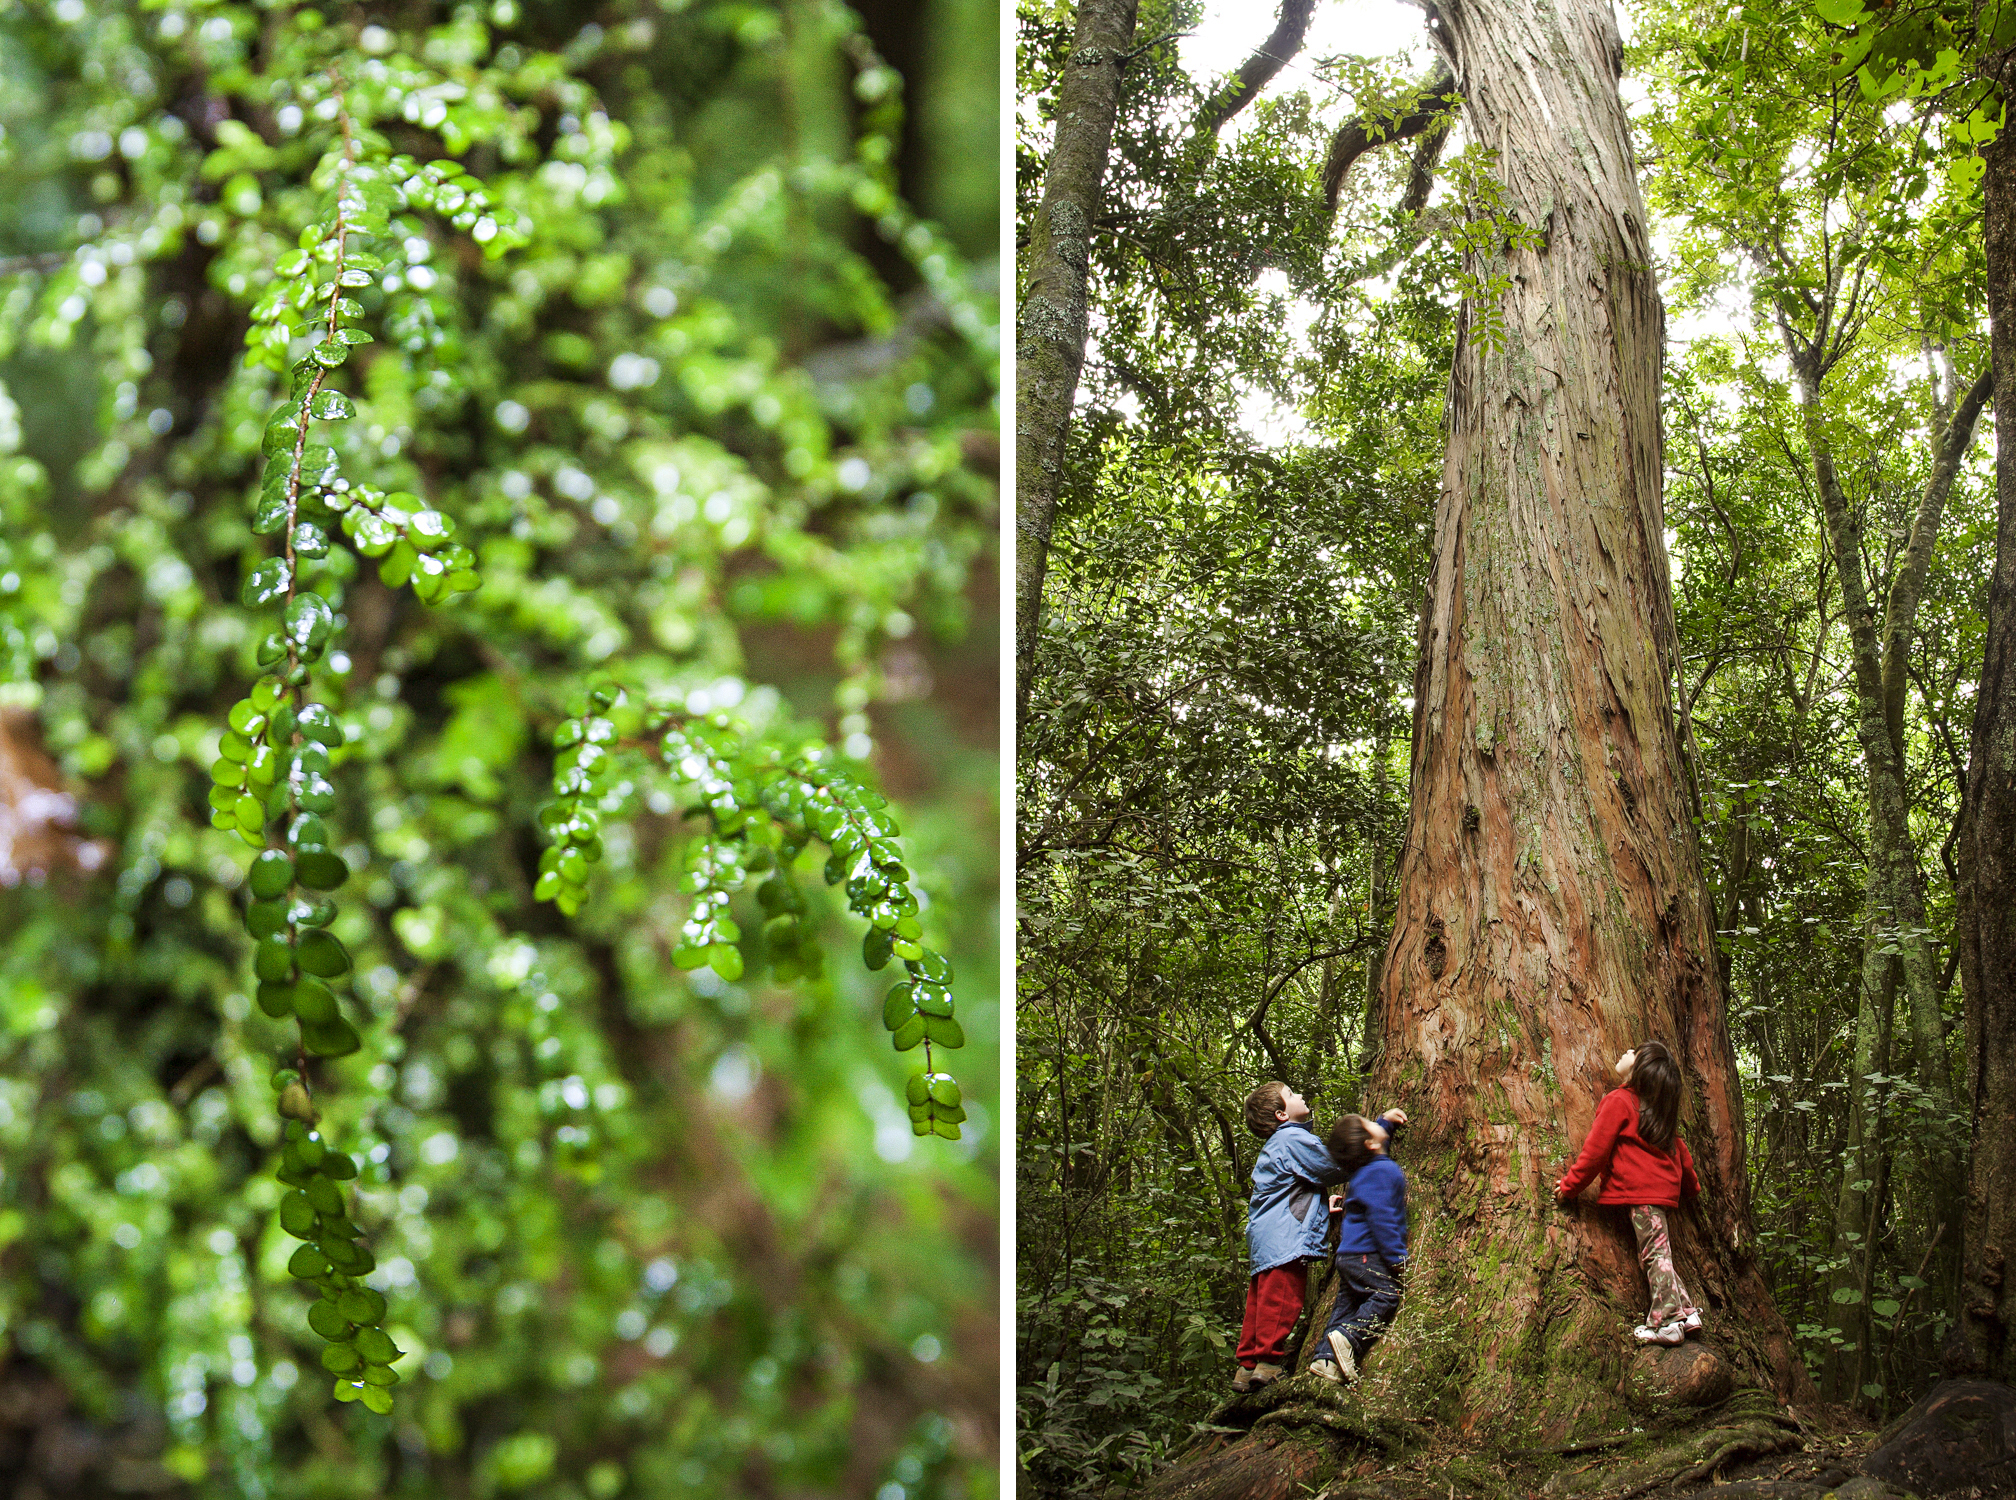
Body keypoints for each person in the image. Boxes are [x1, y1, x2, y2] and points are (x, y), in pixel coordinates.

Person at [1554, 1041, 1704, 1345]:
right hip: (1660, 1195)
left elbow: (1595, 1153)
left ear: (1640, 1070)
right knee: (1658, 1252)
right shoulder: (1654, 1113)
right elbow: (1681, 1154)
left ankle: (1667, 1321)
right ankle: (1686, 1312)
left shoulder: (1619, 1101)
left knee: (1654, 1254)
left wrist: (1570, 1187)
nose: (1625, 1052)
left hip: (1643, 1194)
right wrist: (1691, 1189)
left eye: (1633, 1052)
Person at [1233, 1081, 1345, 1390]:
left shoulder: (1277, 1144)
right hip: (1285, 1237)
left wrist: (1324, 1205)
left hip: (1266, 1236)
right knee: (1282, 1299)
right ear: (1282, 1114)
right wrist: (1372, 1139)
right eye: (1292, 1094)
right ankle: (1268, 1364)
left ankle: (1247, 1366)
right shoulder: (1293, 1137)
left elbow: (1290, 1192)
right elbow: (1333, 1166)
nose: (1300, 1094)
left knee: (1260, 1302)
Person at [1307, 1107, 1409, 1383]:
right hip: (1369, 1256)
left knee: (1345, 1307)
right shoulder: (1382, 1171)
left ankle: (1325, 1360)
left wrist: (1383, 1123)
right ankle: (1349, 1338)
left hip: (1348, 1257)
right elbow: (1383, 1220)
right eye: (1368, 1123)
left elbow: (1374, 1144)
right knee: (1385, 1296)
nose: (1372, 1121)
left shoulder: (1364, 1169)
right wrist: (1398, 1258)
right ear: (1369, 1144)